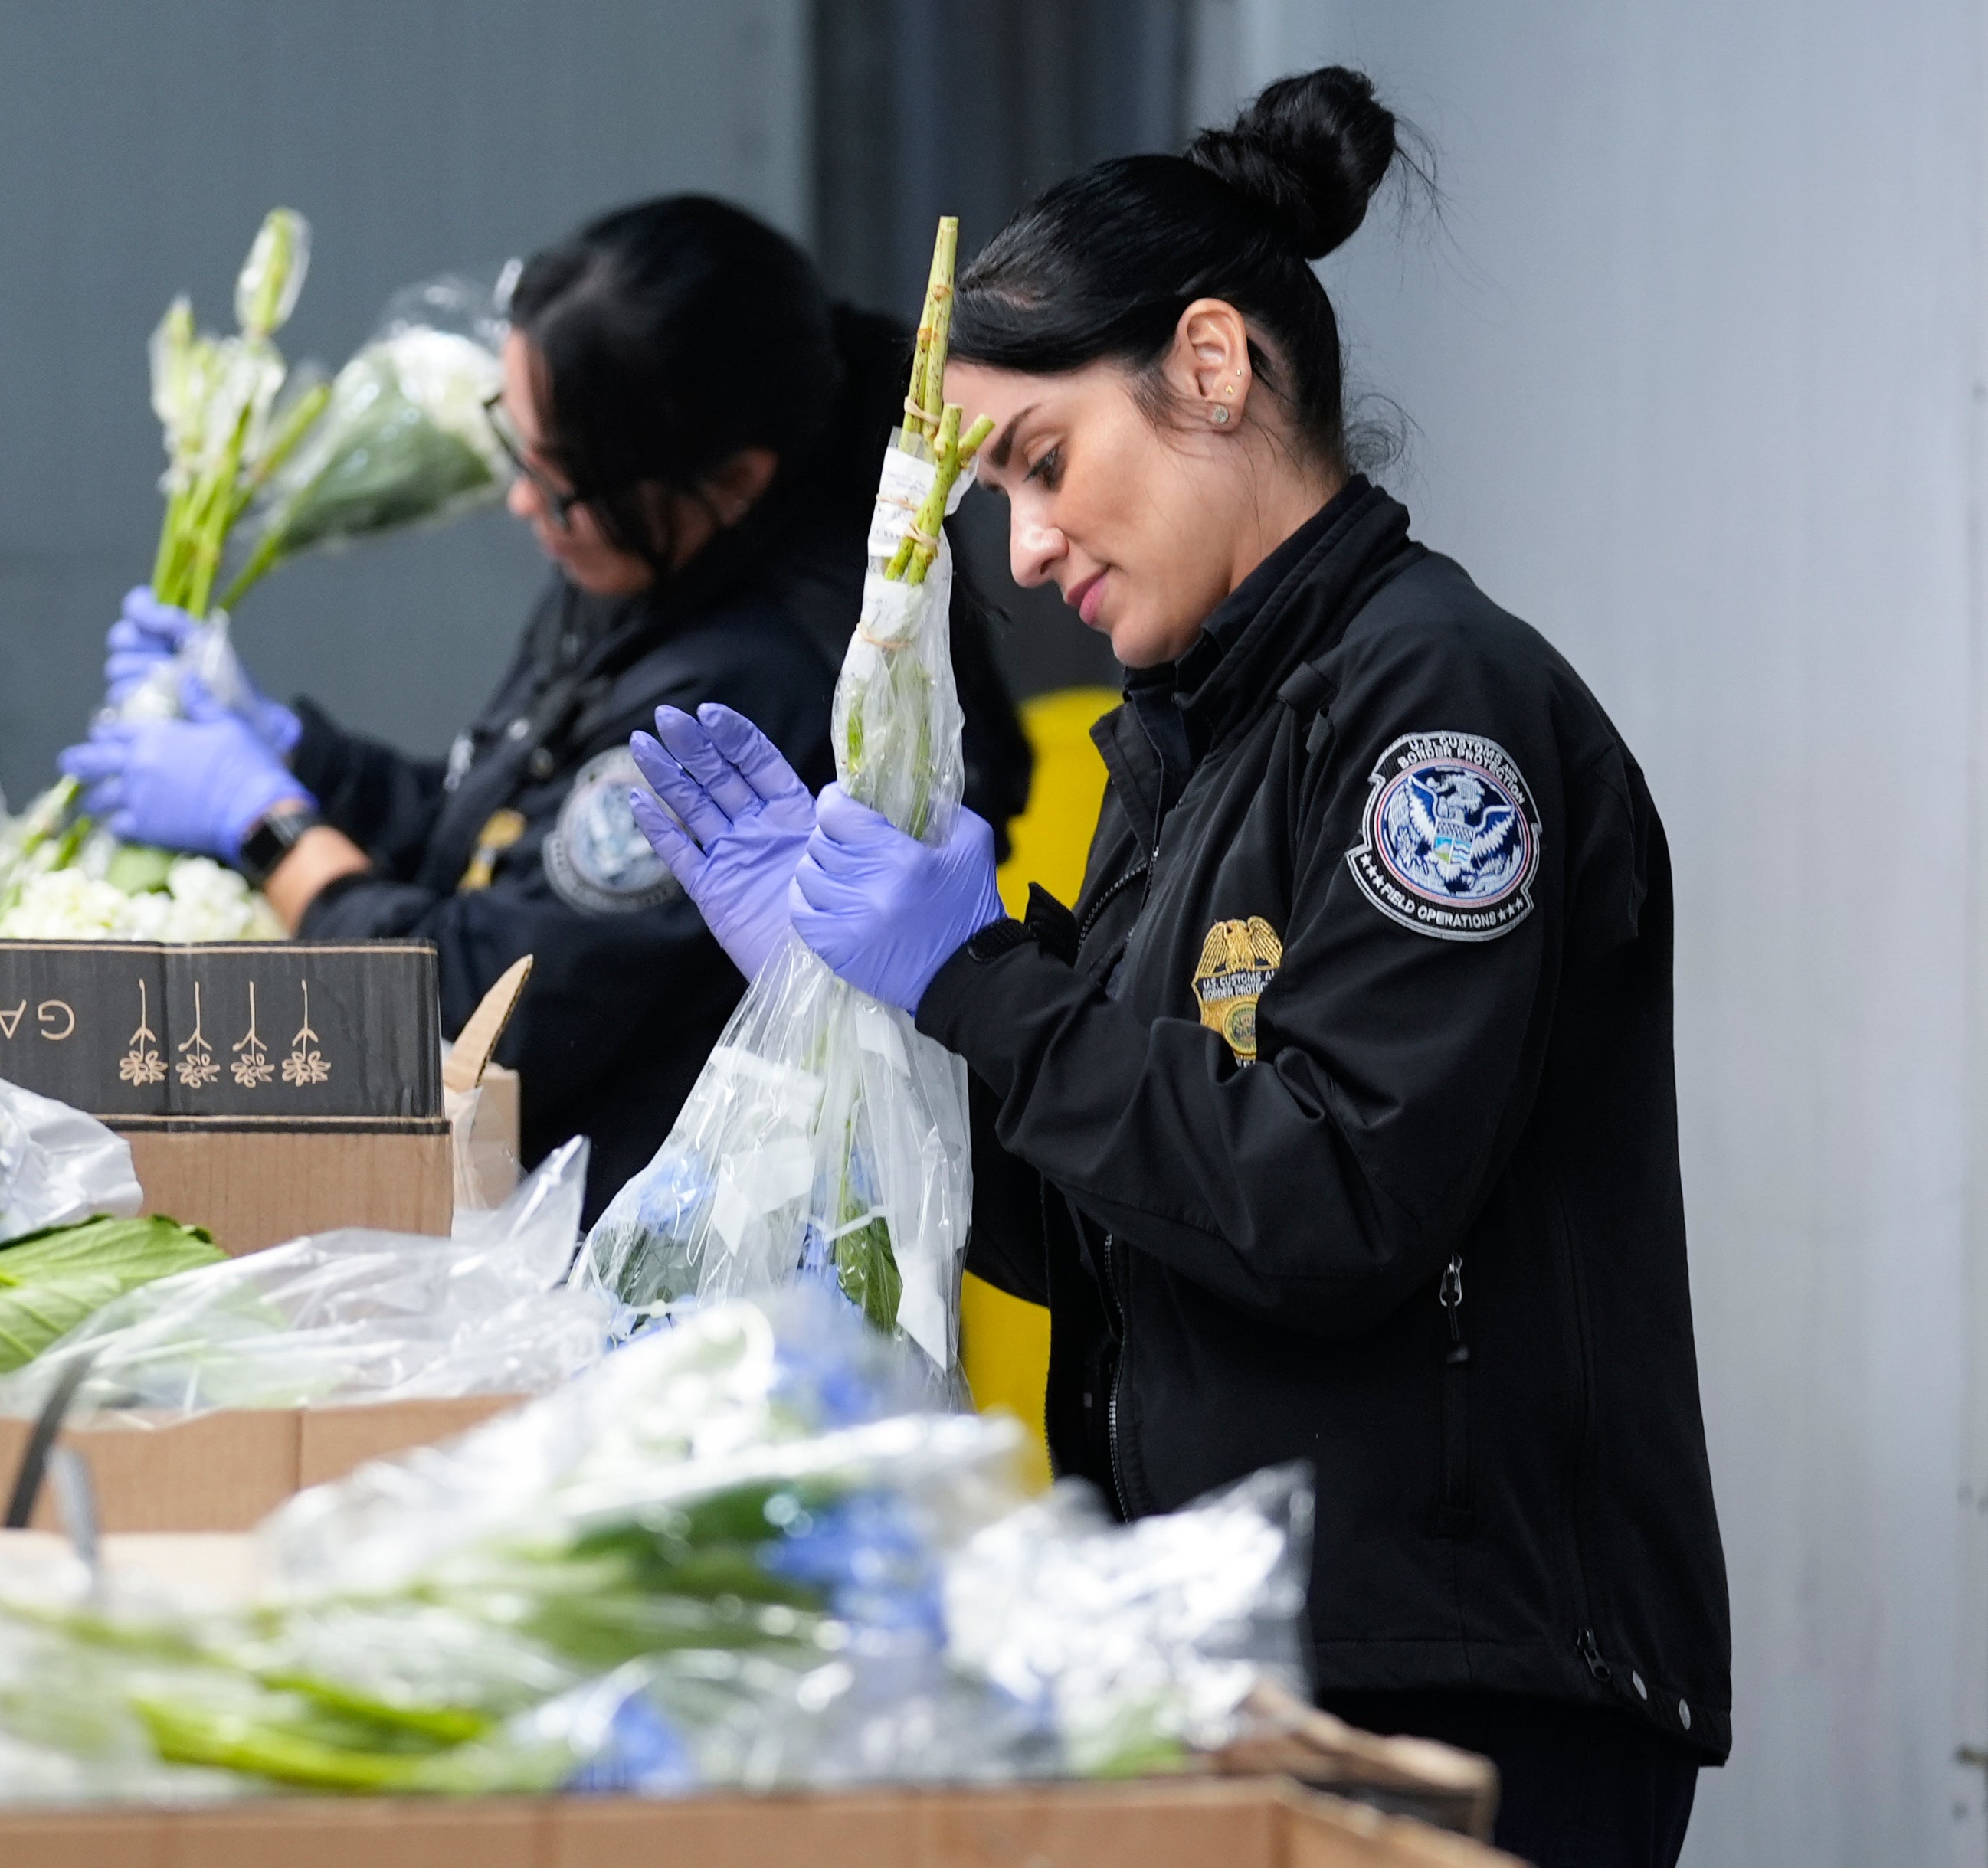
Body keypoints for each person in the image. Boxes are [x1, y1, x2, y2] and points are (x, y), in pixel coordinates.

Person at [632, 70, 1726, 1868]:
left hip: (1451, 1682)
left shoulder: (1430, 709)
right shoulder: (1184, 737)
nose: (1025, 545)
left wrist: (975, 979)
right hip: (1241, 1644)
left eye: (1042, 464)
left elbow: (1329, 1197)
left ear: (1207, 367)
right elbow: (1113, 1223)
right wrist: (864, 1030)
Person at [57, 195, 1032, 1215]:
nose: (527, 503)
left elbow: (484, 1014)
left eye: (559, 482)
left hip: (661, 1263)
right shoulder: (640, 553)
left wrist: (266, 826)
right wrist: (303, 756)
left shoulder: (749, 688)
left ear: (734, 478)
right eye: (520, 450)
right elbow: (493, 828)